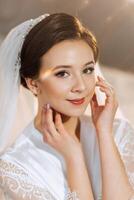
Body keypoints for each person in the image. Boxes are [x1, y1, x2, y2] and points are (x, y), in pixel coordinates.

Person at [0, 12, 134, 200]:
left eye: (87, 70)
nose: (80, 86)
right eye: (63, 73)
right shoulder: (15, 167)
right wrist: (74, 159)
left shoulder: (117, 133)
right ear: (33, 84)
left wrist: (104, 134)